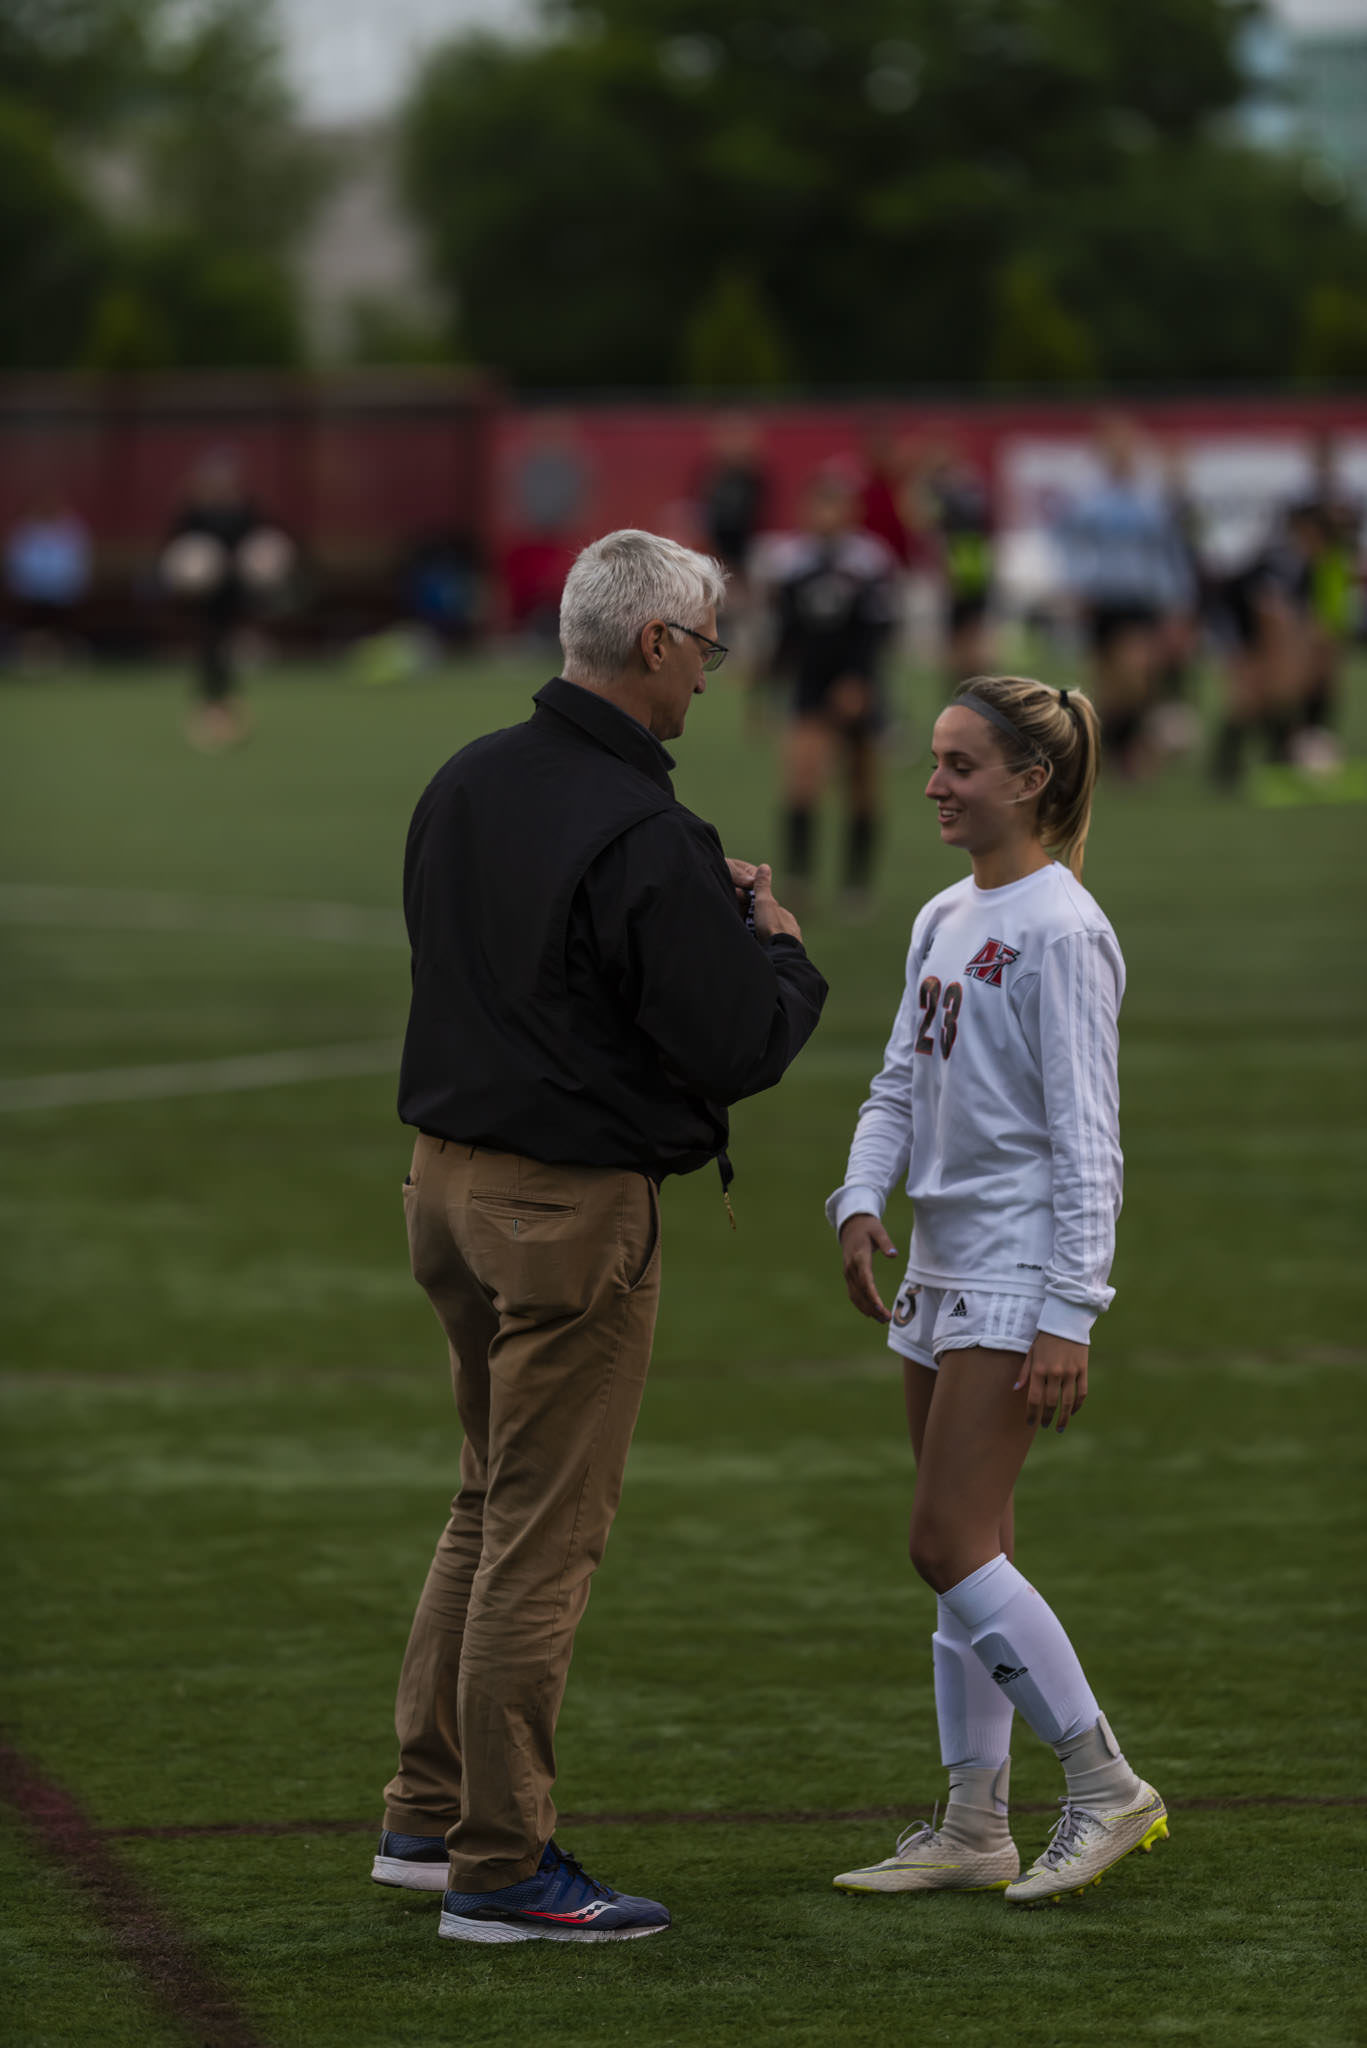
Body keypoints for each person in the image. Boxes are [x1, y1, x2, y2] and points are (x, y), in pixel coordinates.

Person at [373, 529, 828, 1945]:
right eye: (704, 647)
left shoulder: (466, 779)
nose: (707, 677)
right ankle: (501, 1868)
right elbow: (733, 1039)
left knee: (484, 1500)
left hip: (441, 1185)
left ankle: (424, 1812)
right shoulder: (642, 829)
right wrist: (774, 943)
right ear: (652, 646)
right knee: (542, 1538)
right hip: (563, 1209)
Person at [826, 674, 1167, 1908]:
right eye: (932, 760)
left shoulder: (1063, 929)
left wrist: (1068, 1307)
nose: (932, 784)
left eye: (959, 765)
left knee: (942, 1539)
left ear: (1028, 780)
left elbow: (1089, 1141)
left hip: (1016, 1272)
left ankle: (1104, 1782)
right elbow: (895, 1083)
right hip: (936, 1264)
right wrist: (861, 1199)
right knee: (969, 1548)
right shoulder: (938, 914)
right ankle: (975, 1821)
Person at [763, 470, 899, 916]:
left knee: (862, 784)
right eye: (819, 507)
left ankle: (855, 886)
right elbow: (786, 633)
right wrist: (766, 685)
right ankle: (799, 880)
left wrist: (860, 680)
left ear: (849, 513)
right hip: (811, 684)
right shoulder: (791, 563)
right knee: (802, 778)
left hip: (858, 683)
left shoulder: (870, 561)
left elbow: (880, 630)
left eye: (835, 507)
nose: (826, 516)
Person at [1055, 417, 1193, 775]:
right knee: (1108, 685)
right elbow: (1070, 546)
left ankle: (1131, 747)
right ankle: (1113, 752)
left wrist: (1177, 601)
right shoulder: (1089, 500)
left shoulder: (1150, 501)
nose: (1122, 457)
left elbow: (1168, 552)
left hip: (1138, 600)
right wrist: (1074, 586)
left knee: (1136, 673)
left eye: (1127, 450)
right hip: (1102, 600)